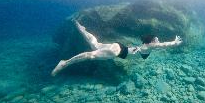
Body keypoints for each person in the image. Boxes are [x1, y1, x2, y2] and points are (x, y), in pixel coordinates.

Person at [51, 21, 182, 76]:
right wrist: (174, 43)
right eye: (156, 39)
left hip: (119, 47)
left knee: (95, 44)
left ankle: (81, 29)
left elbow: (160, 45)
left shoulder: (147, 46)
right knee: (91, 55)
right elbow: (163, 45)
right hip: (119, 51)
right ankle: (65, 63)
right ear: (152, 41)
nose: (158, 40)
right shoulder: (151, 45)